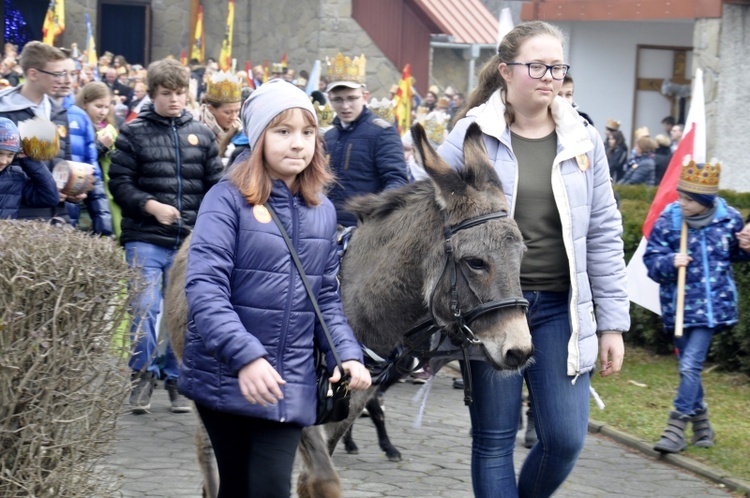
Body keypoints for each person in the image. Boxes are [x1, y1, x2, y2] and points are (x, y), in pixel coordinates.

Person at [437, 21, 629, 497]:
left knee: (564, 439)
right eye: (537, 65)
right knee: (495, 438)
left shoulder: (582, 138)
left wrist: (611, 325)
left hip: (561, 309)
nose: (550, 76)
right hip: (492, 307)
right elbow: (431, 220)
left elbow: (604, 234)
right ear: (505, 71)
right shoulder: (470, 135)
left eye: (557, 66)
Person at [178, 79, 371, 497]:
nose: (298, 144)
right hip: (225, 374)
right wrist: (245, 358)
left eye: (307, 132)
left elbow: (324, 298)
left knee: (268, 488)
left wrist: (346, 355)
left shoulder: (321, 211)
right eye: (282, 131)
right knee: (238, 486)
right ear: (259, 136)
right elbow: (205, 289)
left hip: (291, 380)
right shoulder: (225, 200)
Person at [108, 58, 224, 415]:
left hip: (190, 239)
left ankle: (177, 377)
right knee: (145, 308)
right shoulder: (133, 132)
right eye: (166, 94)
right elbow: (119, 184)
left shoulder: (203, 134)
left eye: (180, 93)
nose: (174, 100)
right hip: (145, 235)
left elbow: (216, 186)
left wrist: (209, 223)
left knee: (186, 312)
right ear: (152, 93)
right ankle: (141, 375)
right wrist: (150, 206)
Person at [644, 160, 749, 453]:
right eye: (681, 195)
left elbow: (733, 255)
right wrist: (669, 262)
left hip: (711, 308)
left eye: (689, 199)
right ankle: (702, 425)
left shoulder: (729, 218)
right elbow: (651, 262)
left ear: (705, 200)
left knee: (690, 364)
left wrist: (746, 248)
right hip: (678, 308)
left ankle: (675, 428)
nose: (682, 202)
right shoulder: (670, 220)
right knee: (686, 367)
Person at [323, 52, 409, 227]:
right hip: (326, 225)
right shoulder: (328, 136)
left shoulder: (382, 132)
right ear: (330, 100)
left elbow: (397, 181)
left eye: (352, 98)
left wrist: (374, 215)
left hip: (364, 228)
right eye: (338, 99)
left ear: (365, 96)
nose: (345, 106)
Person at [0, 41, 76, 222]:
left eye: (63, 73)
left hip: (56, 218)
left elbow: (66, 161)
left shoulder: (59, 112)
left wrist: (72, 187)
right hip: (20, 219)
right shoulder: (4, 111)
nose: (61, 80)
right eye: (56, 74)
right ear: (33, 74)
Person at [51, 58, 113, 236]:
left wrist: (105, 229)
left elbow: (93, 175)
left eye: (73, 74)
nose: (68, 80)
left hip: (70, 212)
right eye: (62, 73)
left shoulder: (79, 117)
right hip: (33, 214)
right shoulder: (29, 111)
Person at [77, 81, 123, 237]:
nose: (103, 112)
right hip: (83, 200)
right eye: (98, 106)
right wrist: (101, 147)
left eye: (106, 107)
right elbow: (81, 163)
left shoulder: (107, 129)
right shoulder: (78, 127)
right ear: (85, 103)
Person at [0, 117, 59, 218]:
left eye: (10, 154)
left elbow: (49, 197)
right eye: (0, 153)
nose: (4, 161)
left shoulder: (15, 177)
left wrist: (30, 161)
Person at [197, 71, 242, 163]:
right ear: (211, 109)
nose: (233, 117)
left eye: (237, 111)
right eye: (228, 112)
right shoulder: (198, 131)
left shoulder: (241, 130)